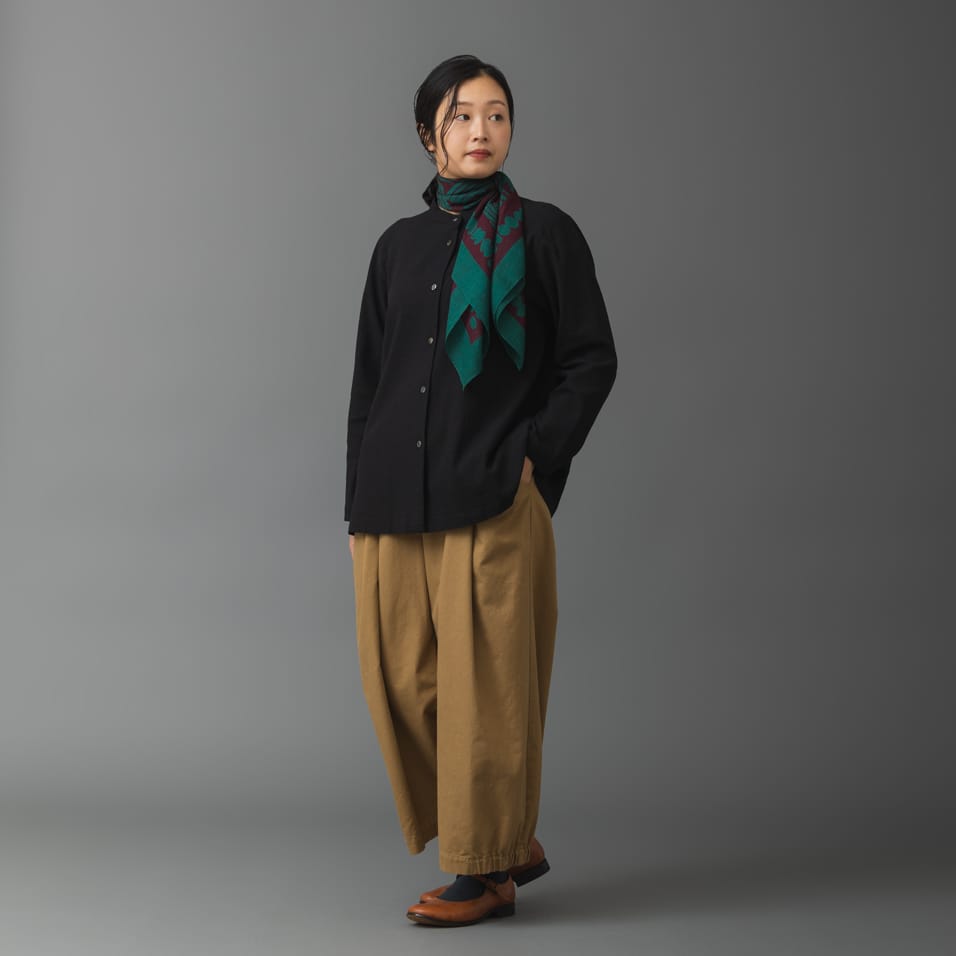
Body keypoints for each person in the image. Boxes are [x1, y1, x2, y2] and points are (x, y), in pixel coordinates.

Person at [345, 53, 617, 927]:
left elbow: (590, 359)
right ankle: (503, 834)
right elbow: (370, 380)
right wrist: (357, 495)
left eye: (497, 114)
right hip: (393, 500)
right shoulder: (397, 247)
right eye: (461, 116)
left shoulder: (544, 234)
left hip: (492, 495)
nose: (481, 130)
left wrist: (533, 456)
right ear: (428, 136)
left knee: (487, 697)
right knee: (404, 684)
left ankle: (487, 870)